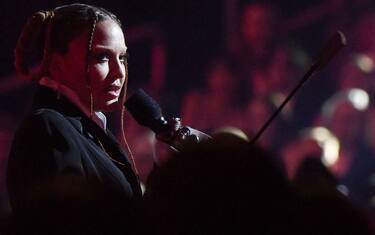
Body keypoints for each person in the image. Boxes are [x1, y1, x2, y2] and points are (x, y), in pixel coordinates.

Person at [5, 3, 142, 234]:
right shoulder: (47, 128)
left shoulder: (75, 127)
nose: (119, 72)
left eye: (123, 57)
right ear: (56, 62)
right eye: (102, 57)